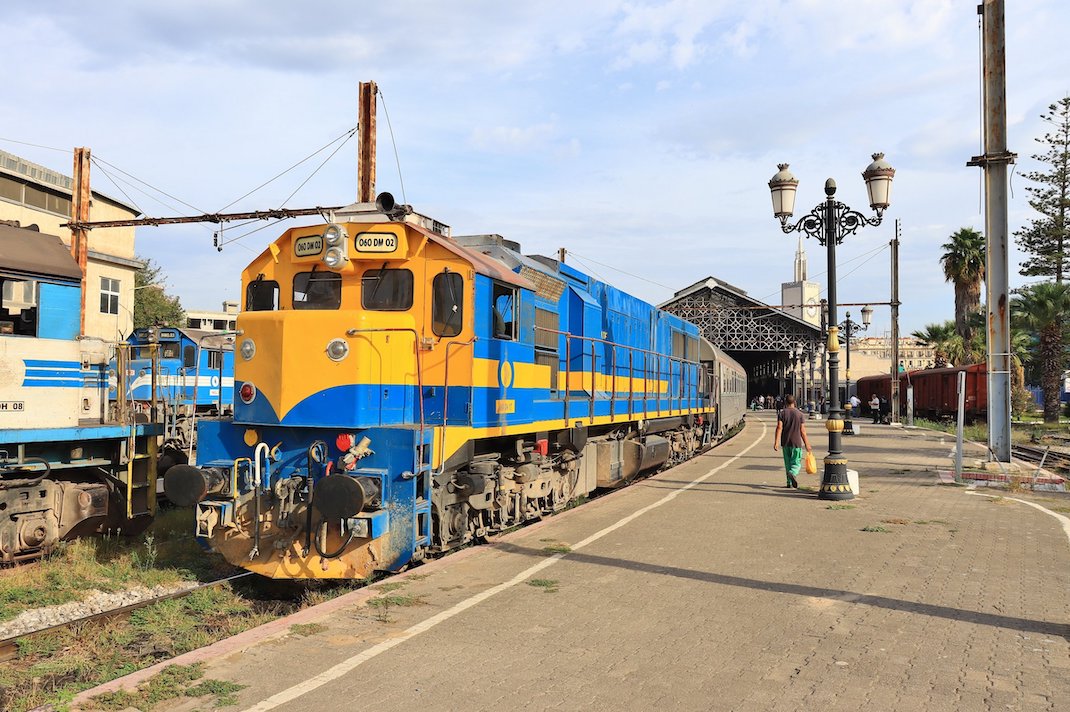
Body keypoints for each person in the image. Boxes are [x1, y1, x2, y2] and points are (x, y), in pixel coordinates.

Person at [773, 394, 813, 489]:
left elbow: (779, 427)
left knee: (787, 463)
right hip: (796, 442)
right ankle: (793, 473)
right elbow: (802, 431)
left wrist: (776, 442)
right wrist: (807, 444)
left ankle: (789, 483)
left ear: (785, 402)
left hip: (785, 442)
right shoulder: (800, 414)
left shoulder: (782, 413)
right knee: (796, 463)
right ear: (794, 402)